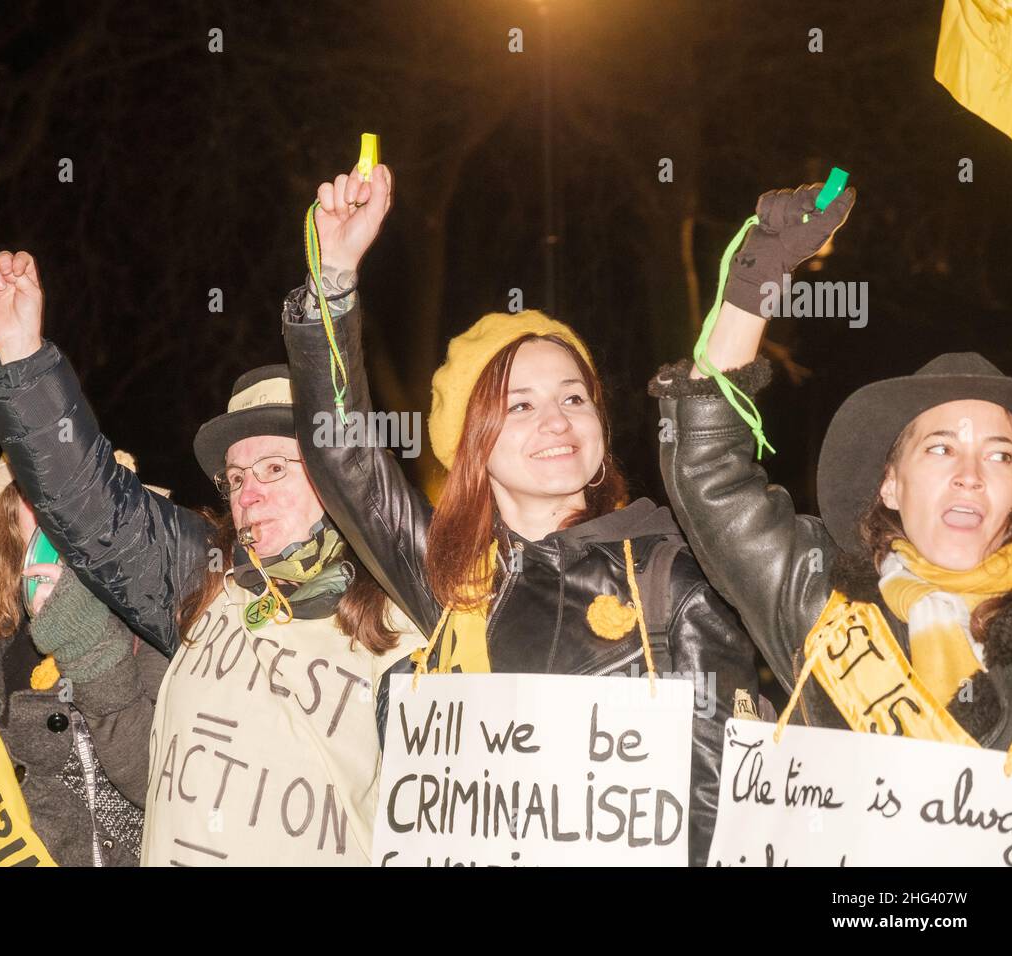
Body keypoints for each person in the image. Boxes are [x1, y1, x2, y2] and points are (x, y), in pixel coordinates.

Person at [282, 164, 760, 866]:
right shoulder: (446, 577)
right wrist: (334, 279)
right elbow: (344, 459)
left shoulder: (673, 583)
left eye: (574, 397)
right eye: (521, 405)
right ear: (471, 444)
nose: (557, 421)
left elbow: (728, 816)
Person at [0, 250, 425, 866]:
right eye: (236, 480)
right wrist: (23, 353)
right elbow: (93, 506)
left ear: (336, 475)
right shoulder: (204, 582)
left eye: (273, 469)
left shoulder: (407, 616)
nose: (250, 492)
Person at [649, 182, 1012, 757]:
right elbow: (707, 469)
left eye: (1000, 455)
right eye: (941, 449)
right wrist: (754, 282)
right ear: (890, 484)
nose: (972, 474)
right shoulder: (818, 601)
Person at [0, 458, 165, 865]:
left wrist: (88, 644)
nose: (60, 507)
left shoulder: (152, 629)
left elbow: (167, 784)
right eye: (39, 492)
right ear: (9, 515)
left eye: (80, 493)